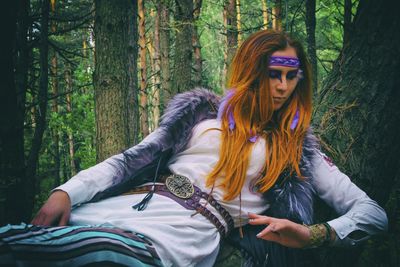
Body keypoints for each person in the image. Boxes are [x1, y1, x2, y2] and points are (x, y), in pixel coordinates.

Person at [0, 30, 387, 267]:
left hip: (180, 236)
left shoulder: (295, 147)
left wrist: (314, 234)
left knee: (102, 256)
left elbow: (372, 214)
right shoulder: (199, 115)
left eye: (291, 77)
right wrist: (67, 190)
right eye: (273, 75)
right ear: (251, 72)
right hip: (117, 209)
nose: (283, 87)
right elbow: (128, 160)